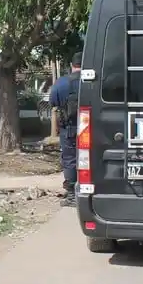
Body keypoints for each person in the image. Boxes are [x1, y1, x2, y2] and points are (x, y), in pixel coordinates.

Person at [48, 52, 83, 207]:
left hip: (69, 129)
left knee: (70, 160)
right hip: (93, 128)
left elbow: (53, 102)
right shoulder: (95, 79)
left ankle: (72, 197)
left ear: (71, 65)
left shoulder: (61, 83)